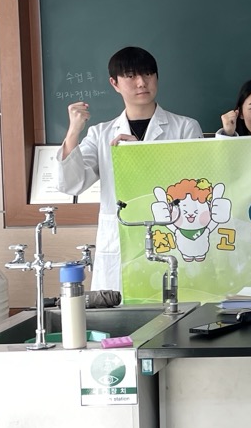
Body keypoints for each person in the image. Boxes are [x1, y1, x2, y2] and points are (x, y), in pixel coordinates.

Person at [56, 46, 203, 292]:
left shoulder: (185, 128)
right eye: (131, 76)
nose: (141, 82)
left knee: (174, 303)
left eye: (148, 74)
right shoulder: (101, 134)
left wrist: (140, 155)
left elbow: (195, 186)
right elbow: (71, 184)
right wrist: (73, 132)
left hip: (171, 236)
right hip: (120, 241)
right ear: (114, 83)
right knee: (120, 309)